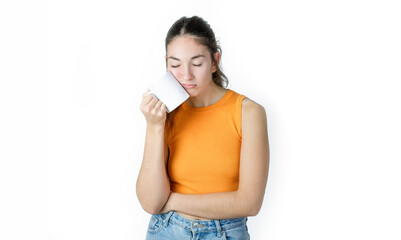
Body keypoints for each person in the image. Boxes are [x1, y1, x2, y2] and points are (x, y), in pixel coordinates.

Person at [137, 16, 270, 240]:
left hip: (225, 233)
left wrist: (171, 201)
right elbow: (150, 202)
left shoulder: (248, 112)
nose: (186, 75)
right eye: (175, 64)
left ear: (215, 61)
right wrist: (154, 126)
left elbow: (250, 202)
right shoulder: (164, 113)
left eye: (197, 63)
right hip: (166, 230)